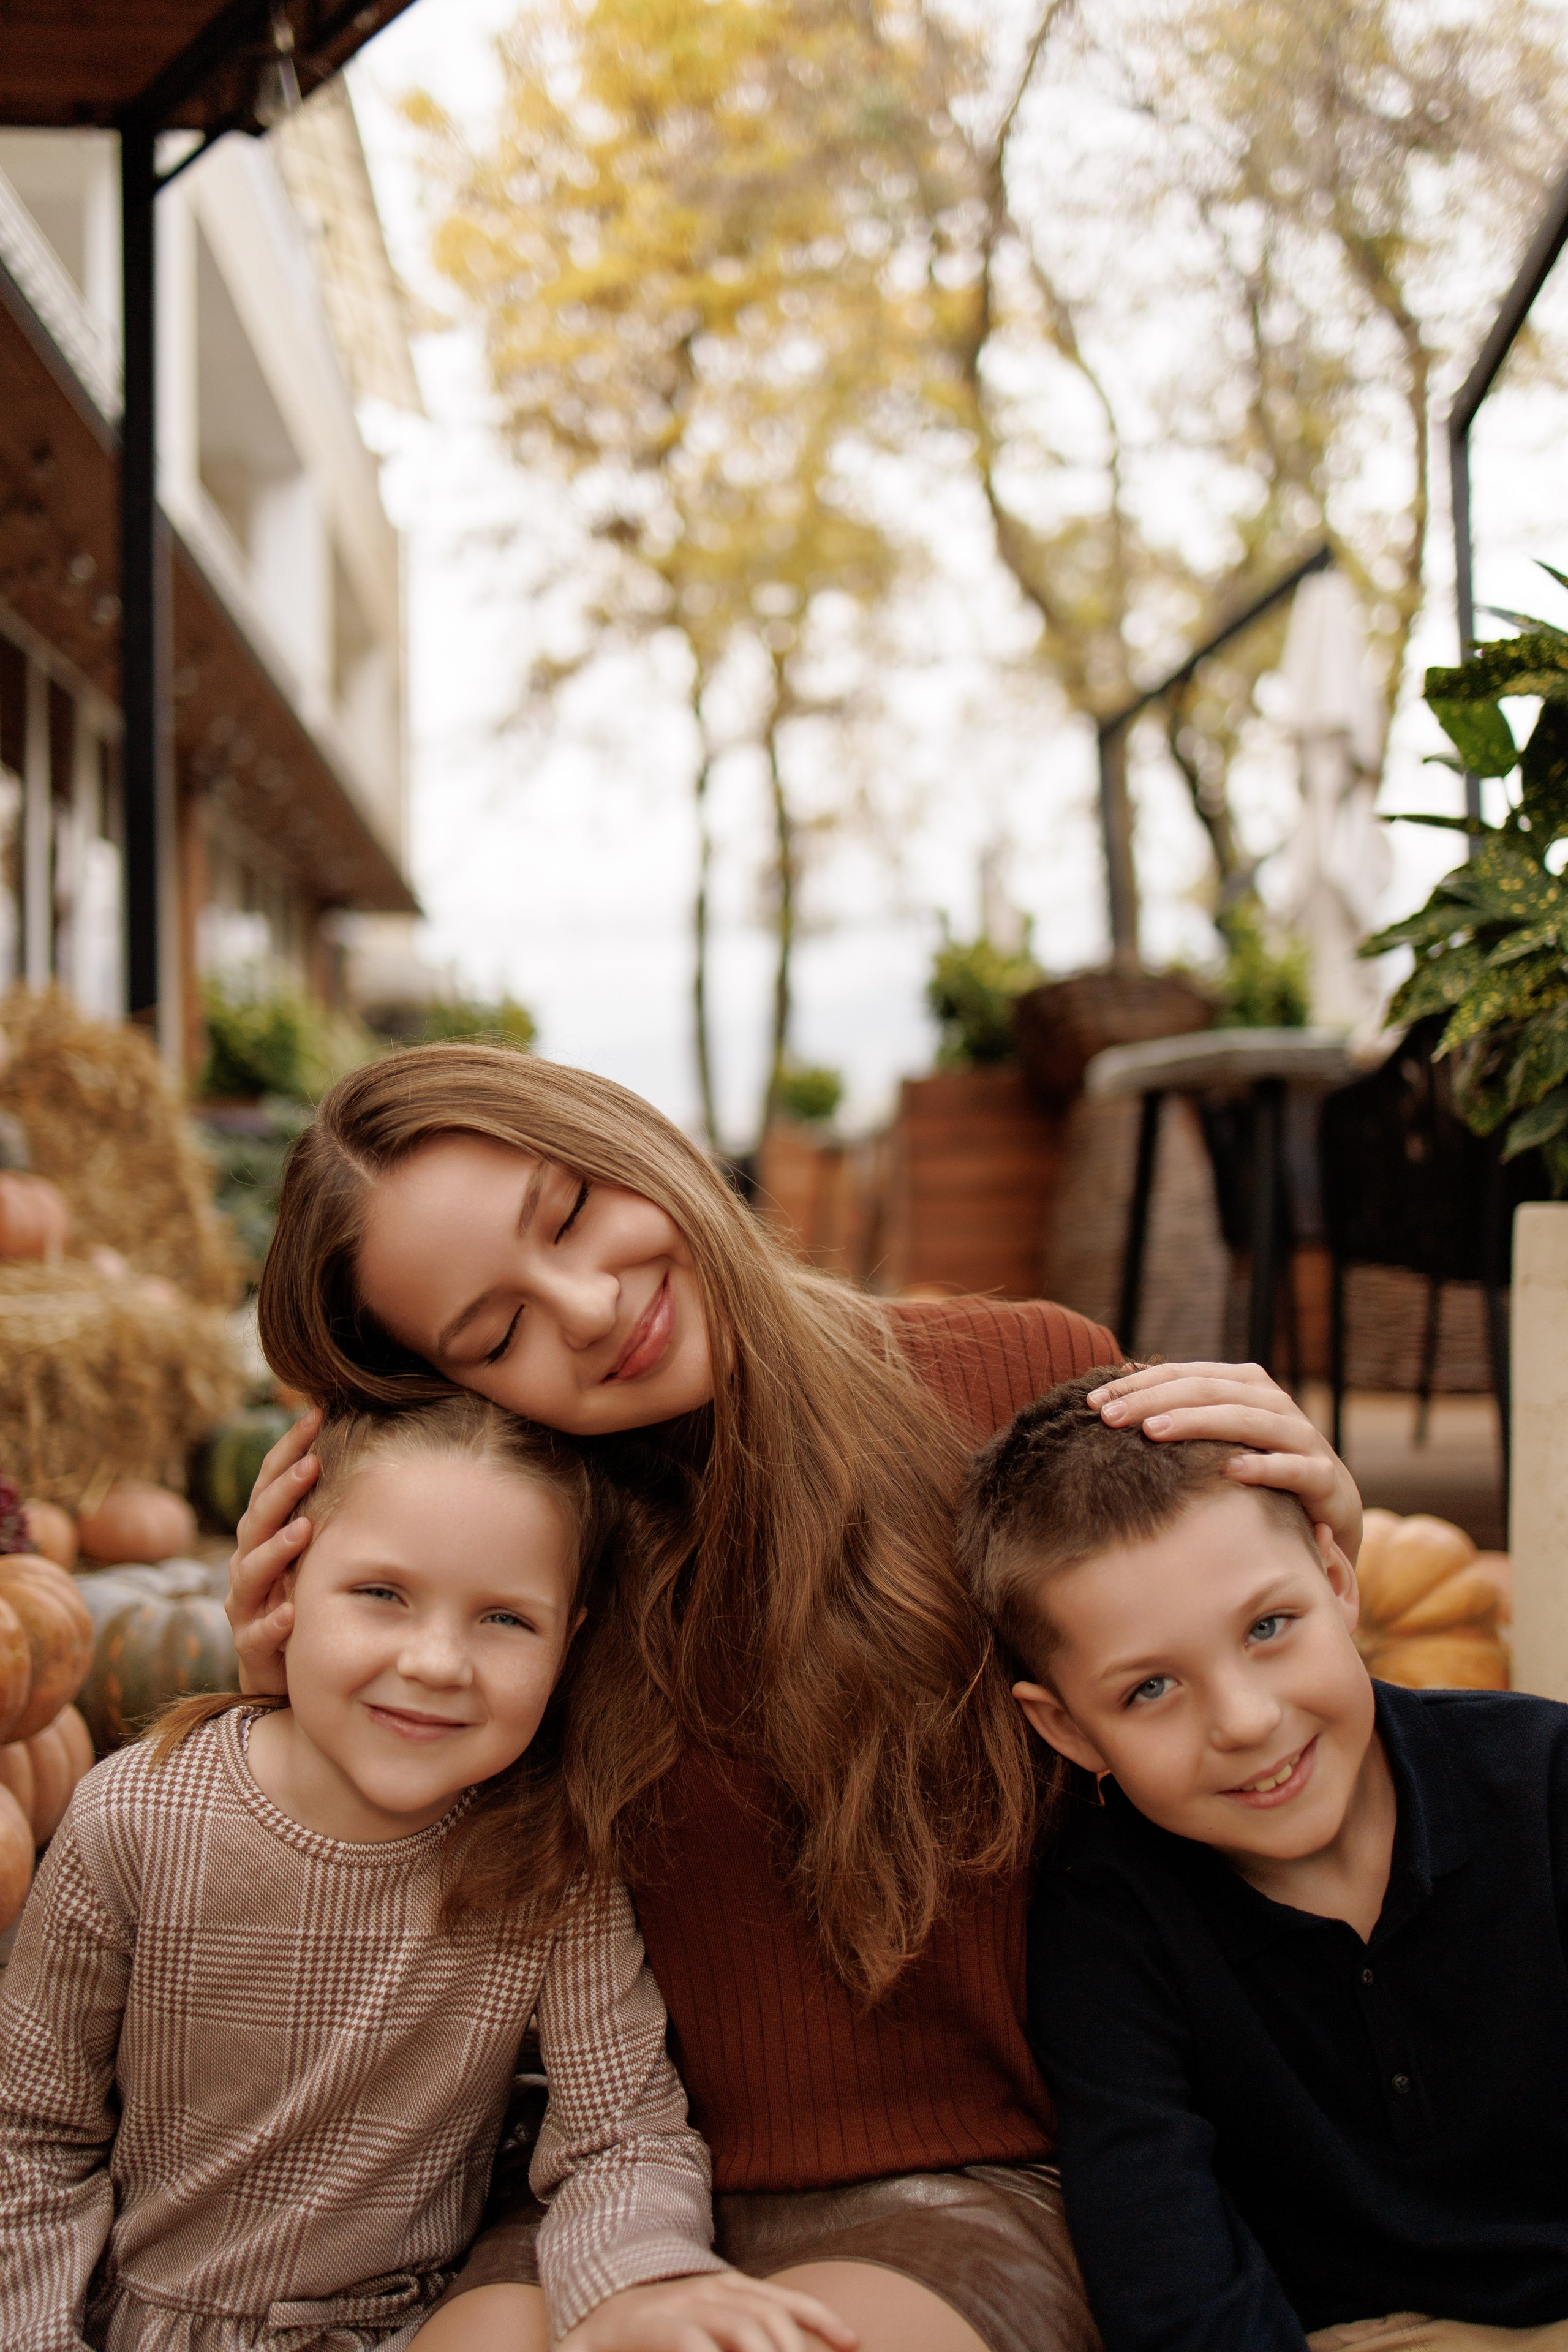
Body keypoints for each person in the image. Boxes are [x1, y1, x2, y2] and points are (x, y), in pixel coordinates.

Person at [226, 1042, 1362, 2352]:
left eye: (573, 1215)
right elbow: (425, 1950)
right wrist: (316, 1738)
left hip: (966, 2179)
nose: (586, 1306)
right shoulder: (515, 1560)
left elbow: (1243, 1759)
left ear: (634, 1140)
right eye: (498, 1332)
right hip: (594, 2183)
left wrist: (1319, 1584)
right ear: (459, 1389)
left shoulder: (1022, 1378)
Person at [0, 1396, 850, 2352]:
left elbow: (621, 2136)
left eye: (504, 1618)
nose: (438, 1661)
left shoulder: (548, 1863)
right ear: (285, 1585)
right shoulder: (138, 1819)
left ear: (568, 1641)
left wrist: (638, 2282)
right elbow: (29, 2137)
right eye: (381, 1594)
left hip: (415, 2325)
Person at [956, 1368, 1568, 2352]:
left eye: (1269, 1628)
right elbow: (1167, 2274)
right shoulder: (1108, 1920)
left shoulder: (1542, 1781)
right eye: (1151, 1688)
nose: (1245, 1721)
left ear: (1337, 1579)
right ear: (1068, 1729)